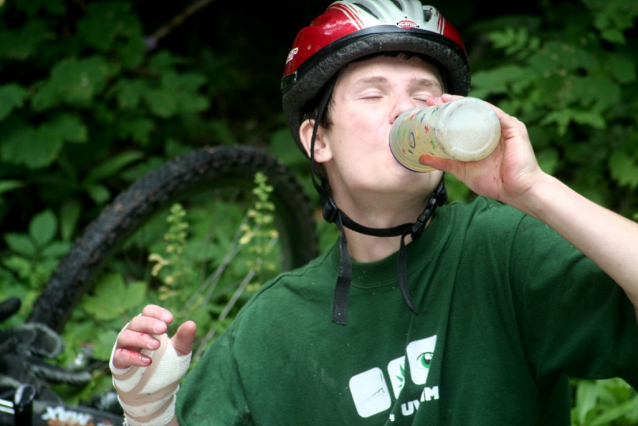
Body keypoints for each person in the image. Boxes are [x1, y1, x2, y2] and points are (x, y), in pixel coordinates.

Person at [109, 1, 638, 425]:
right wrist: (149, 413)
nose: (406, 110)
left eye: (424, 93)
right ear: (318, 140)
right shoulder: (273, 327)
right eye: (373, 92)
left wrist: (533, 189)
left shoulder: (503, 250)